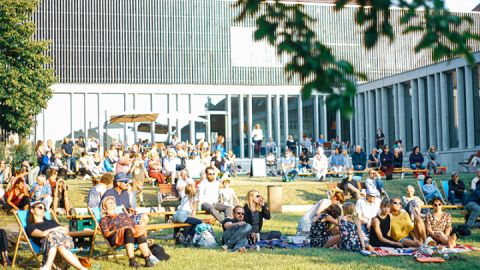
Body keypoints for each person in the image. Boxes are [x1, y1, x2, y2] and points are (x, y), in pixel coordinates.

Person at [26, 201, 88, 270]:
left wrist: (56, 231)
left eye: (44, 209)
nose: (43, 210)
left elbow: (66, 230)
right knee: (54, 239)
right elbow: (42, 234)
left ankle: (48, 266)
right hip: (49, 246)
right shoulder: (31, 226)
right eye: (40, 208)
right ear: (32, 210)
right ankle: (82, 268)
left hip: (66, 242)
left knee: (54, 236)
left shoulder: (51, 222)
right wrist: (57, 229)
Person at [100, 196, 157, 268]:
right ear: (104, 207)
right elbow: (106, 234)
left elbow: (133, 225)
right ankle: (132, 261)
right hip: (116, 238)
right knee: (128, 230)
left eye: (113, 202)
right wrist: (120, 230)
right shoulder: (104, 220)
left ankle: (148, 260)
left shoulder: (123, 215)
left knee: (138, 231)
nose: (112, 204)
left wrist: (138, 222)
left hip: (131, 235)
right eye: (109, 203)